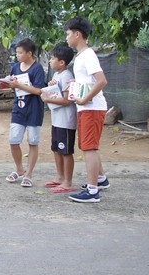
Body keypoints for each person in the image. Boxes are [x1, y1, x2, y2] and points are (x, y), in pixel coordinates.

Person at [65, 17, 110, 203]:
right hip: (86, 107)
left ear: (78, 34)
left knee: (89, 147)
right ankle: (100, 179)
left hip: (91, 108)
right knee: (87, 145)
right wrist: (76, 84)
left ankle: (92, 191)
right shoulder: (81, 56)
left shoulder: (88, 55)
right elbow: (90, 81)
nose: (67, 38)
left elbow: (101, 81)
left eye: (68, 34)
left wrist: (85, 99)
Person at [5, 38, 46, 188]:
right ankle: (19, 169)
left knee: (32, 142)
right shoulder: (15, 67)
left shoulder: (37, 69)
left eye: (20, 52)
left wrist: (18, 84)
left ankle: (29, 174)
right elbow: (13, 88)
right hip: (18, 109)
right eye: (16, 52)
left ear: (29, 53)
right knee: (13, 140)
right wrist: (11, 84)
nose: (17, 55)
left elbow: (38, 90)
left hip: (34, 110)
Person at [40, 44, 77, 193]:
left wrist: (48, 99)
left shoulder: (67, 76)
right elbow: (58, 92)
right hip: (57, 120)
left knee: (66, 151)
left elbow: (67, 100)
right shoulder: (56, 75)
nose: (50, 60)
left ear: (62, 62)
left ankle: (67, 181)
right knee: (56, 149)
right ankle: (60, 177)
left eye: (52, 58)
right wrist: (51, 87)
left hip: (66, 121)